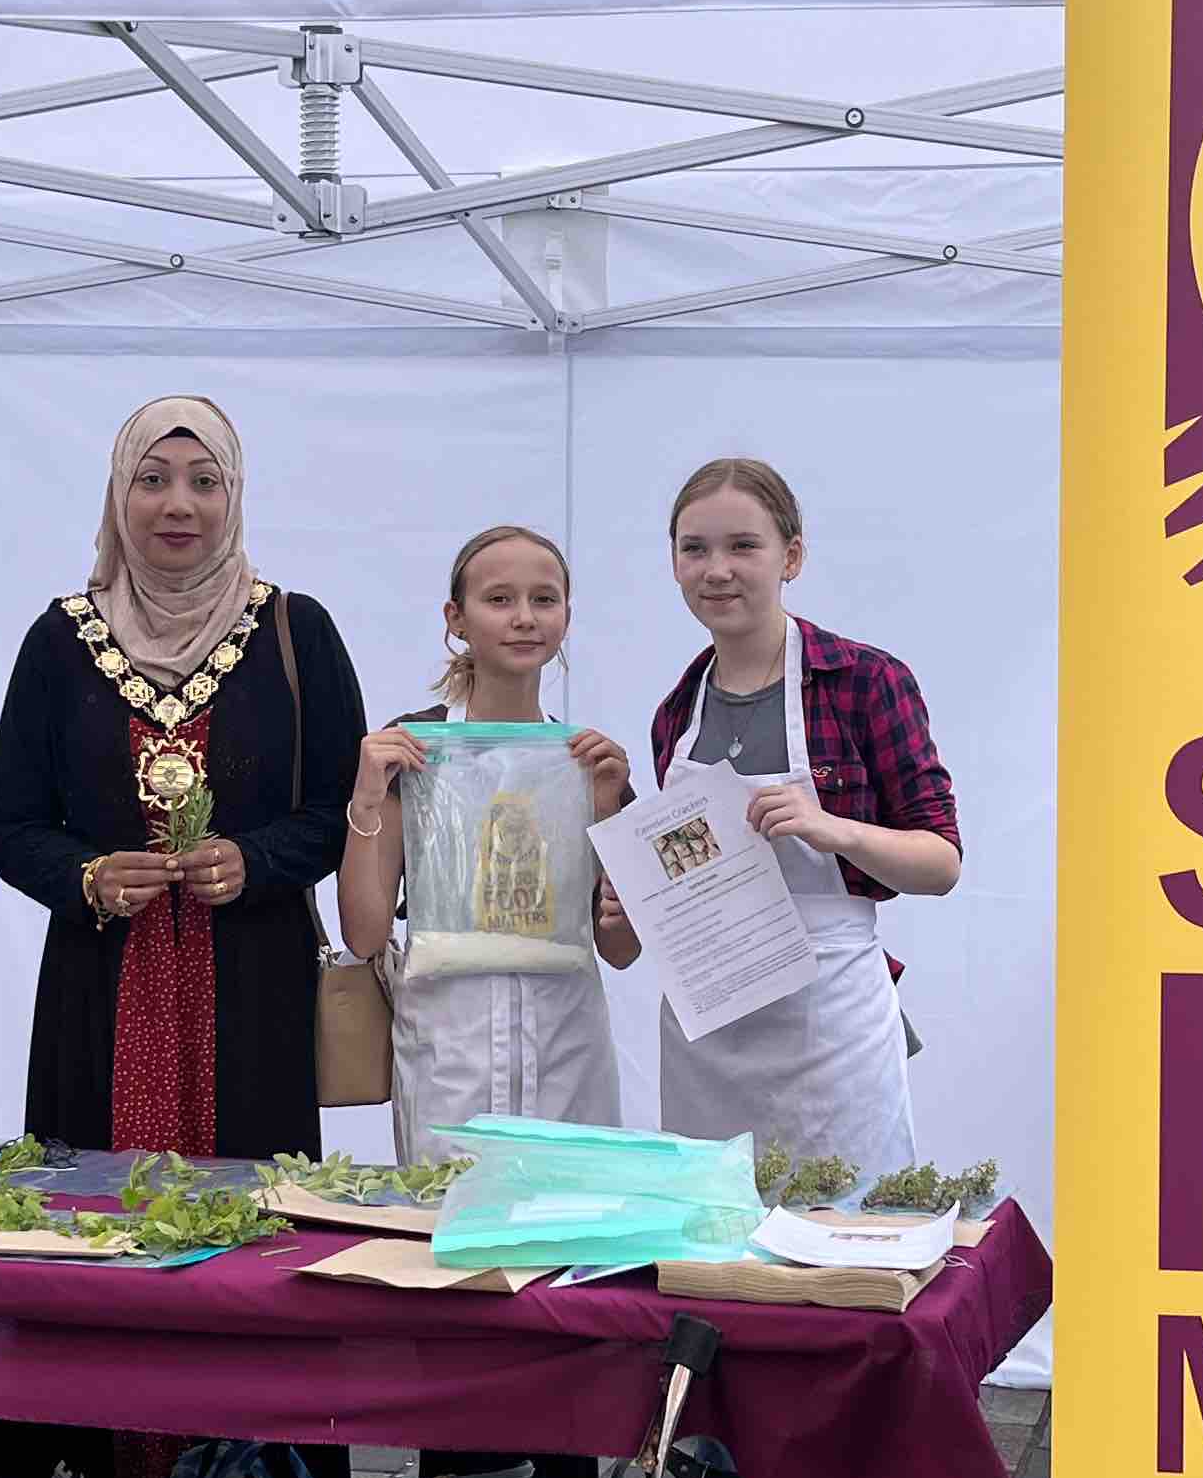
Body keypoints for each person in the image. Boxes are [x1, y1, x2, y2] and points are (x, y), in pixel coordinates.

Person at [0, 394, 363, 1478]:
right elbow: (10, 820)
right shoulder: (61, 641)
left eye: (203, 480)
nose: (179, 505)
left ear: (236, 493)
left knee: (258, 1255)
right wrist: (88, 876)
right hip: (102, 994)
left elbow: (337, 812)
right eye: (155, 479)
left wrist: (253, 862)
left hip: (248, 993)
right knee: (100, 1243)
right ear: (118, 495)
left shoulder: (296, 630)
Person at [647, 457, 962, 1176]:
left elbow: (941, 862)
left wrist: (833, 828)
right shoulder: (676, 711)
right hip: (709, 1028)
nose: (716, 570)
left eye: (743, 546)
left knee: (841, 1235)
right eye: (694, 549)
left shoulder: (865, 683)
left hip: (829, 1026)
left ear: (792, 555)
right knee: (715, 1240)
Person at [338, 523, 639, 1160]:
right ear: (457, 617)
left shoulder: (588, 762)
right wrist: (366, 797)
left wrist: (612, 810)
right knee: (452, 1235)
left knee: (568, 1232)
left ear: (566, 616)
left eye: (544, 599)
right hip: (450, 1050)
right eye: (499, 600)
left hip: (568, 1046)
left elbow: (620, 948)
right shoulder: (412, 751)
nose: (524, 618)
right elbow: (364, 936)